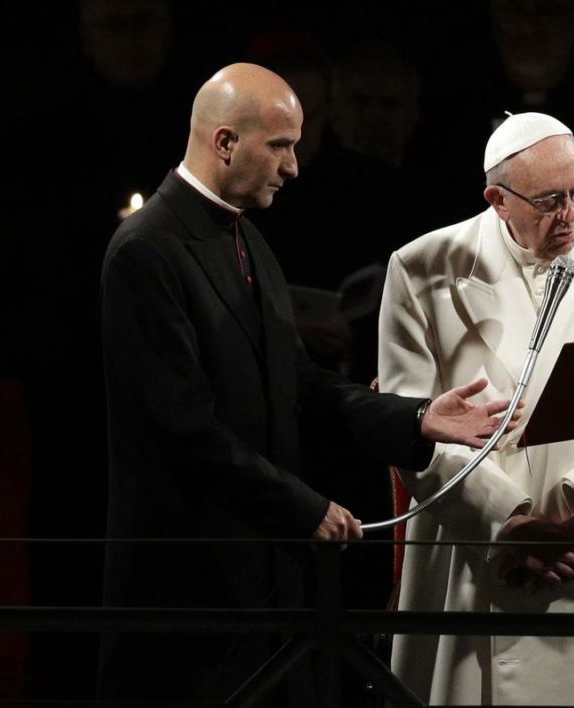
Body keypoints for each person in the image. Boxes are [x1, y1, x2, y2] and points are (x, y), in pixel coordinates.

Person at [97, 63, 517, 704]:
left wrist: (415, 418)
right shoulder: (145, 252)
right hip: (189, 593)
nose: (294, 167)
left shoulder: (249, 241)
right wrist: (305, 508)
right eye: (281, 146)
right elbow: (184, 428)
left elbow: (301, 384)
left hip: (265, 585)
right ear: (226, 142)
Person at [379, 112, 574, 706]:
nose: (571, 215)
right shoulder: (421, 269)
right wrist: (507, 523)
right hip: (479, 558)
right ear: (498, 199)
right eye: (550, 201)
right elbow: (410, 431)